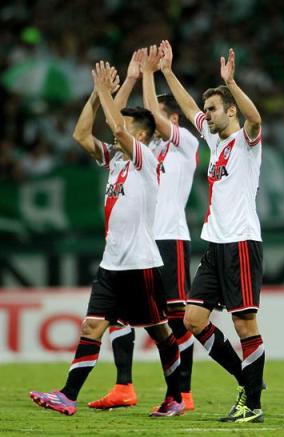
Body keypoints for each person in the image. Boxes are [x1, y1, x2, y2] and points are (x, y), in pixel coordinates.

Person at [29, 61, 184, 417]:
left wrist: (108, 89)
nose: (117, 133)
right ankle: (68, 395)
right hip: (112, 262)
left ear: (140, 136)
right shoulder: (115, 160)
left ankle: (175, 396)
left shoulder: (146, 158)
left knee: (161, 332)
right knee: (93, 326)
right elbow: (81, 135)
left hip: (141, 262)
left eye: (126, 129)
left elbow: (118, 128)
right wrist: (101, 94)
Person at [87, 46, 200, 412]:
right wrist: (133, 78)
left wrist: (150, 74)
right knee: (119, 314)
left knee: (173, 319)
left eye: (154, 116)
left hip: (169, 238)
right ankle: (124, 386)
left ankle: (182, 392)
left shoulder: (184, 144)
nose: (148, 118)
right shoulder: (134, 151)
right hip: (139, 241)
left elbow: (138, 119)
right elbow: (118, 122)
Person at [158, 40, 265, 423]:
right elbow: (187, 109)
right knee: (193, 320)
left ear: (229, 110)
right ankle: (247, 379)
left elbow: (256, 118)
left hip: (240, 241)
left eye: (213, 109)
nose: (205, 114)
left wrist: (232, 83)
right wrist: (168, 72)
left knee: (243, 324)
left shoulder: (245, 142)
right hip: (215, 243)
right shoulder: (215, 141)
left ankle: (252, 404)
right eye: (207, 110)